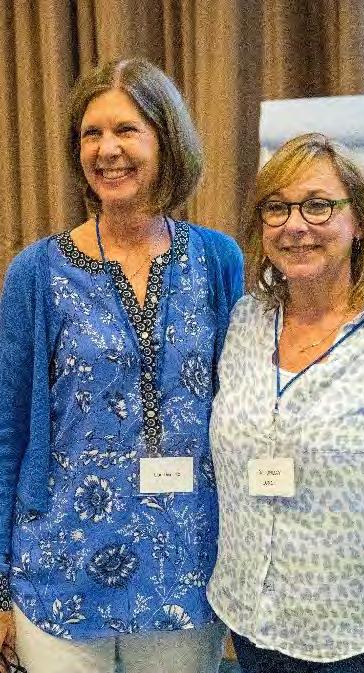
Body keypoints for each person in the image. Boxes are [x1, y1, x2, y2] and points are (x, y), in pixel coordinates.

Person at [0, 57, 243, 673]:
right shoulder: (36, 273)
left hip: (187, 566)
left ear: (166, 140)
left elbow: (245, 413)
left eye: (126, 130)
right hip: (59, 569)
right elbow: (8, 432)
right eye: (92, 133)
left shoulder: (217, 260)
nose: (107, 149)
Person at [206, 133, 364, 673]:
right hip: (252, 629)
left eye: (318, 206)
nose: (295, 225)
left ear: (359, 222)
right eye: (277, 208)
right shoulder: (244, 324)